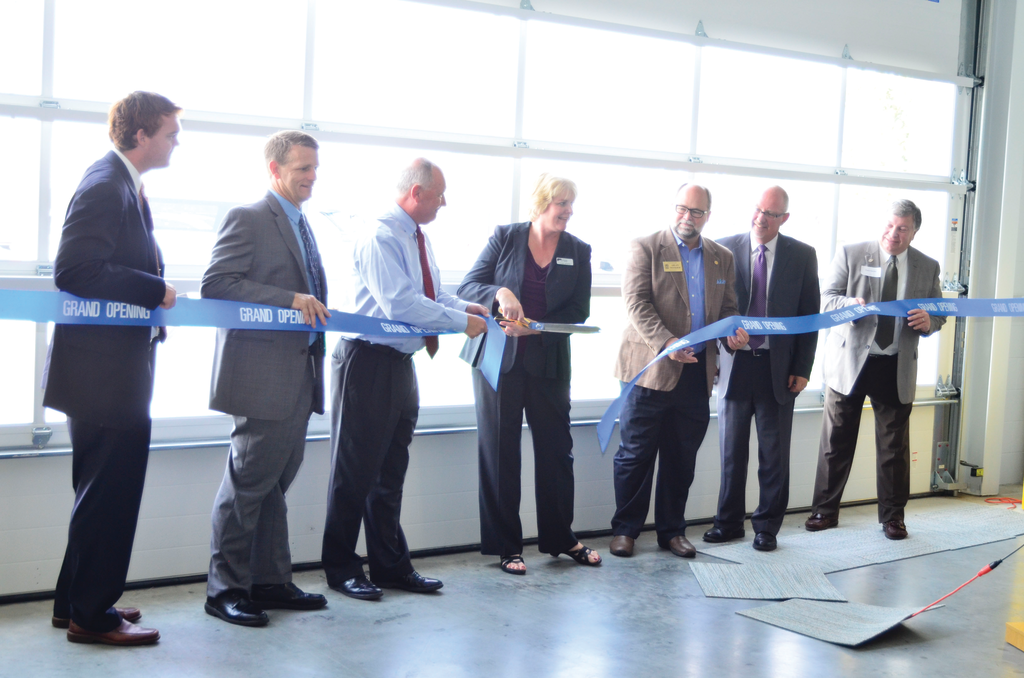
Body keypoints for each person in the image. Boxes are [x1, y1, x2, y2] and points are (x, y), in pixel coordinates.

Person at [43, 91, 180, 645]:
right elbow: (75, 269)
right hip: (105, 376)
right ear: (141, 133)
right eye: (171, 131)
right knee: (110, 495)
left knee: (96, 494)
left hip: (104, 372)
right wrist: (157, 290)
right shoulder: (106, 185)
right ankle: (92, 617)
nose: (177, 141)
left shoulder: (119, 182)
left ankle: (72, 602)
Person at [322, 158, 488, 600]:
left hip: (398, 363)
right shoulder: (378, 234)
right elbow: (398, 304)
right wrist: (457, 323)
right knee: (354, 472)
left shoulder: (416, 236)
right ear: (416, 193)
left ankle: (390, 566)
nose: (444, 202)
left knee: (390, 471)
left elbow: (428, 295)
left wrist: (465, 309)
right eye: (439, 194)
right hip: (367, 361)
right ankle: (341, 569)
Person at [201, 130, 330, 627]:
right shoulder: (249, 217)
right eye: (302, 168)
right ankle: (225, 590)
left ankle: (270, 580)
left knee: (274, 484)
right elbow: (217, 284)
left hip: (300, 372)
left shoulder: (301, 222)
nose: (311, 177)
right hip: (262, 376)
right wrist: (289, 300)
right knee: (246, 485)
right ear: (275, 169)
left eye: (315, 168)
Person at [458, 173, 599, 576]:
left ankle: (560, 537)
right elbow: (469, 285)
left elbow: (578, 311)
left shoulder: (578, 249)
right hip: (497, 362)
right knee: (500, 452)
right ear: (540, 204)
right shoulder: (506, 237)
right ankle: (507, 546)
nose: (568, 212)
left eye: (572, 205)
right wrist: (499, 293)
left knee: (557, 452)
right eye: (562, 204)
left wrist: (534, 326)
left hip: (548, 360)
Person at [609, 183, 748, 559]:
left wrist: (732, 336)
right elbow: (636, 303)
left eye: (696, 212)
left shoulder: (722, 257)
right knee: (635, 454)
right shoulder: (646, 247)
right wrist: (668, 343)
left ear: (708, 216)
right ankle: (626, 530)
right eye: (682, 209)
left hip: (696, 373)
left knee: (681, 457)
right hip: (650, 368)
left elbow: (728, 310)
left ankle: (671, 531)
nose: (687, 217)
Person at [806, 199, 945, 540]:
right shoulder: (852, 253)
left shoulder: (927, 266)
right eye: (888, 225)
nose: (892, 234)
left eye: (902, 229)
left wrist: (930, 321)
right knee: (835, 443)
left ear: (914, 232)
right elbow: (825, 298)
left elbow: (940, 311)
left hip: (895, 364)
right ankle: (824, 511)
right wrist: (847, 306)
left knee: (894, 449)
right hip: (850, 362)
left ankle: (893, 518)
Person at [704, 187, 819, 552]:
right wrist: (720, 349)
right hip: (734, 365)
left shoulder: (802, 255)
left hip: (778, 367)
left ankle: (767, 527)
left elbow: (810, 315)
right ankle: (728, 523)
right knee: (731, 452)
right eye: (757, 210)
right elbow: (712, 309)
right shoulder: (723, 249)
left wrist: (803, 367)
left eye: (771, 214)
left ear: (784, 218)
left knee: (774, 455)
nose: (761, 218)